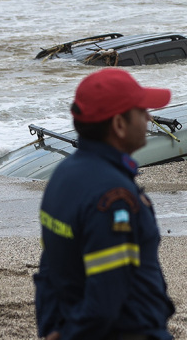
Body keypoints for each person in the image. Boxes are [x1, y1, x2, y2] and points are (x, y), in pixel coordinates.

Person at [34, 68, 176, 340]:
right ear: (119, 124)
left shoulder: (63, 175)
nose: (148, 117)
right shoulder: (113, 196)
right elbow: (105, 300)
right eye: (141, 111)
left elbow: (49, 267)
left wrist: (52, 327)